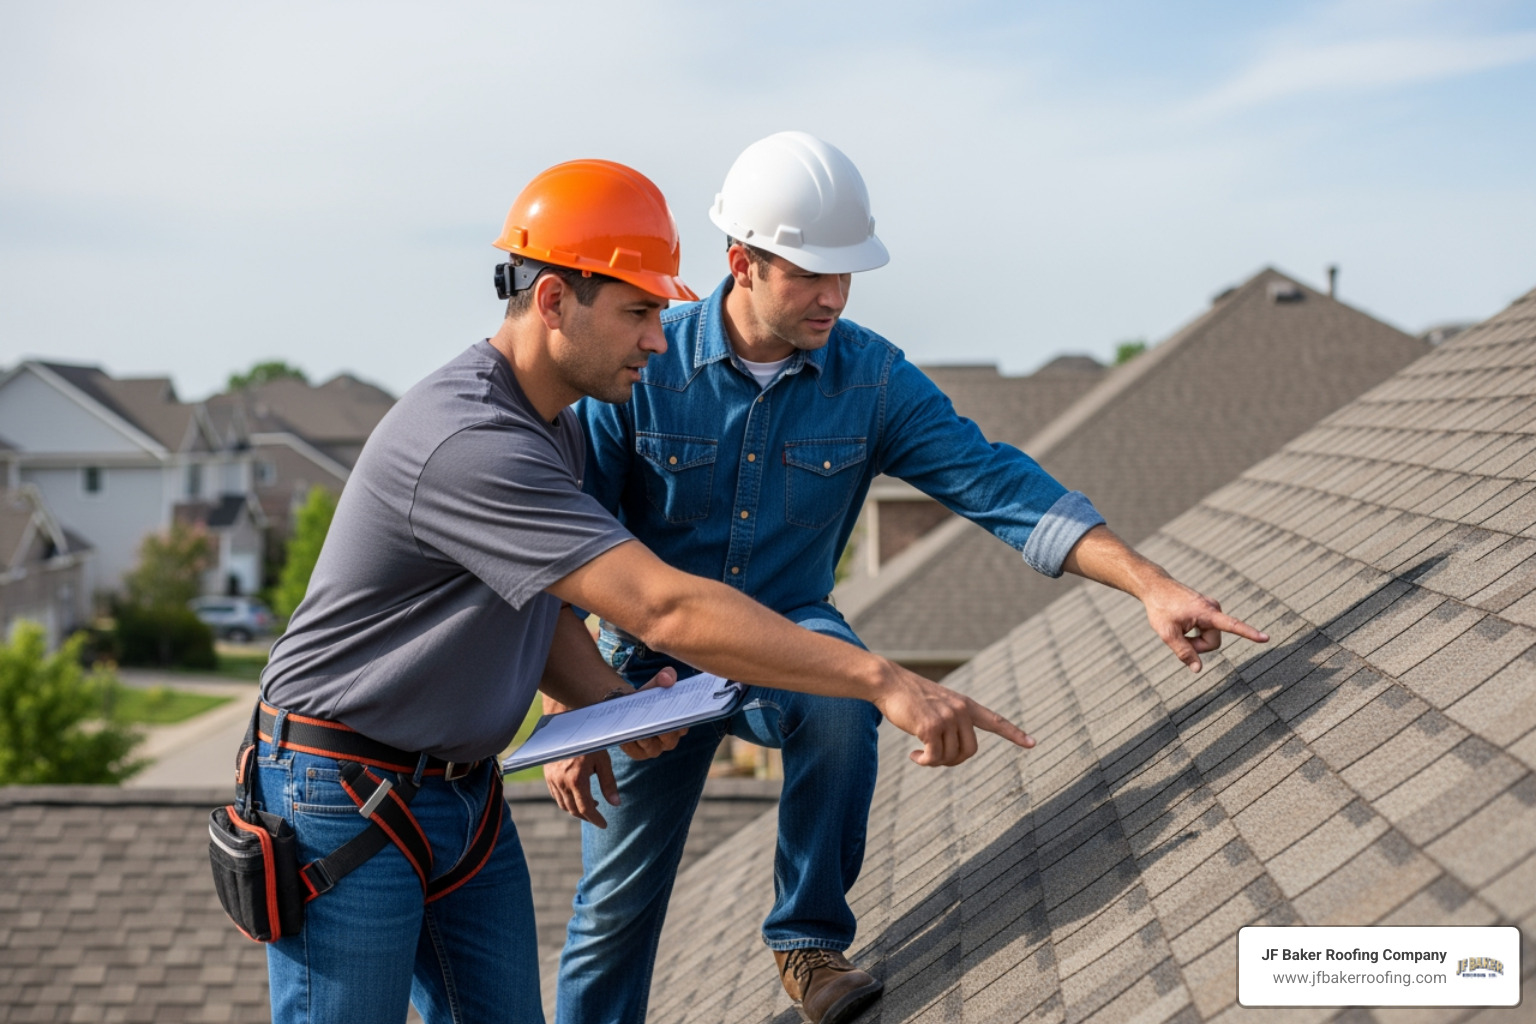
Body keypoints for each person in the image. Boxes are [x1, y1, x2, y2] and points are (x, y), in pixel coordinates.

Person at [251, 157, 1041, 1024]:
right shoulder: (472, 440)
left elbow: (534, 606)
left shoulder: (551, 428)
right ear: (554, 301)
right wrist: (882, 678)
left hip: (458, 792)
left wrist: (608, 700)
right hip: (341, 792)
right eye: (637, 312)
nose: (660, 340)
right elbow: (663, 607)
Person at [550, 132, 1269, 1024]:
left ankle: (808, 942)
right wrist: (572, 701)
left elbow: (998, 483)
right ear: (740, 262)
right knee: (612, 914)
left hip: (790, 632)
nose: (833, 297)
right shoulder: (643, 367)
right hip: (646, 659)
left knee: (849, 692)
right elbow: (569, 543)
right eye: (810, 275)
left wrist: (1150, 583)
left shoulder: (872, 380)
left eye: (846, 276)